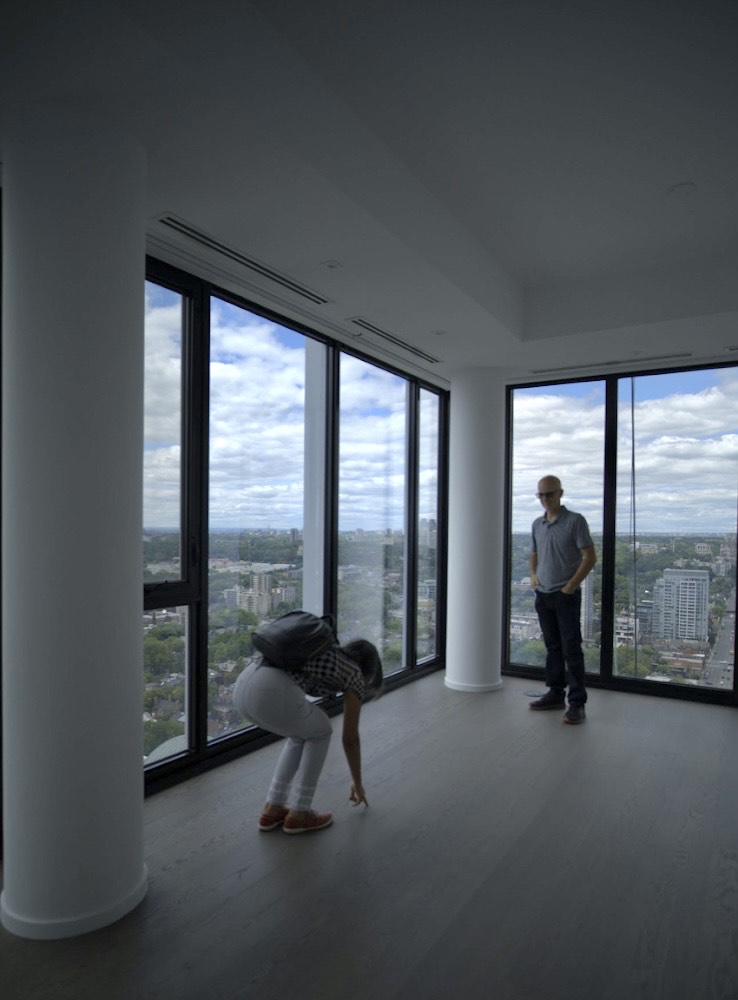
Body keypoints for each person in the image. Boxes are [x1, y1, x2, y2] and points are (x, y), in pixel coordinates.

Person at [232, 635, 383, 834]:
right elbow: (350, 739)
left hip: (242, 684)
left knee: (301, 734)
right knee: (322, 730)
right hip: (268, 689)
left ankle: (272, 808)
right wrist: (358, 782)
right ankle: (300, 812)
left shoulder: (329, 655)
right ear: (368, 671)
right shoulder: (353, 673)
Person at [529, 475, 596, 724]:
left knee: (571, 649)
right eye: (541, 495)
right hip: (543, 594)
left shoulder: (575, 521)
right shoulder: (537, 524)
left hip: (565, 596)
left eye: (549, 494)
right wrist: (533, 575)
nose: (545, 499)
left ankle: (577, 703)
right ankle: (556, 694)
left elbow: (589, 556)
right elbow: (534, 553)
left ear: (560, 493)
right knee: (553, 647)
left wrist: (570, 586)